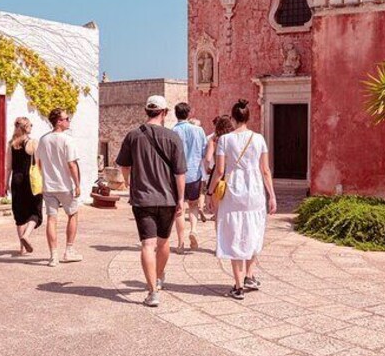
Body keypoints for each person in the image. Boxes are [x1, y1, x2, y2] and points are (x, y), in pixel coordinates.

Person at [116, 95, 187, 308]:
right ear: (164, 113)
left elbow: (124, 166)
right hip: (167, 198)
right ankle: (158, 276)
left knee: (147, 244)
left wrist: (130, 184)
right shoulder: (173, 137)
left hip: (142, 198)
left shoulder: (133, 136)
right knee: (163, 242)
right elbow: (180, 173)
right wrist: (181, 199)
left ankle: (152, 292)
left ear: (147, 111)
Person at [206, 99, 276, 300]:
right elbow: (265, 170)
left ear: (233, 117)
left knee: (234, 233)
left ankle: (238, 286)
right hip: (254, 192)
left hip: (233, 192)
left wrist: (210, 193)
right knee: (253, 231)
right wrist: (271, 195)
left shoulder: (225, 140)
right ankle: (250, 276)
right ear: (248, 117)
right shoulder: (259, 139)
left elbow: (219, 171)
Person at [35, 108, 82, 267]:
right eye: (66, 118)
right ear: (59, 121)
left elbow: (39, 163)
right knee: (73, 214)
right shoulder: (67, 140)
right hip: (64, 185)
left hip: (49, 185)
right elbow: (72, 164)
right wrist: (77, 184)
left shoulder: (43, 140)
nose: (69, 121)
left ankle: (53, 256)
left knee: (51, 219)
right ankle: (69, 250)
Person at [5, 117, 43, 255]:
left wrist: (6, 183)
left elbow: (8, 167)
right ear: (26, 127)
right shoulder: (33, 143)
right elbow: (39, 163)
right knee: (35, 212)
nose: (32, 127)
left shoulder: (11, 144)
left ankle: (22, 248)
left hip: (16, 180)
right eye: (31, 125)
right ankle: (26, 235)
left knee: (19, 214)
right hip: (31, 181)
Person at [172, 102, 207, 251]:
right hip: (194, 174)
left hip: (176, 175)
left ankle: (180, 243)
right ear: (189, 113)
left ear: (176, 113)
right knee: (193, 204)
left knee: (178, 209)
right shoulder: (199, 130)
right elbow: (205, 153)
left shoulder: (172, 131)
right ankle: (193, 229)